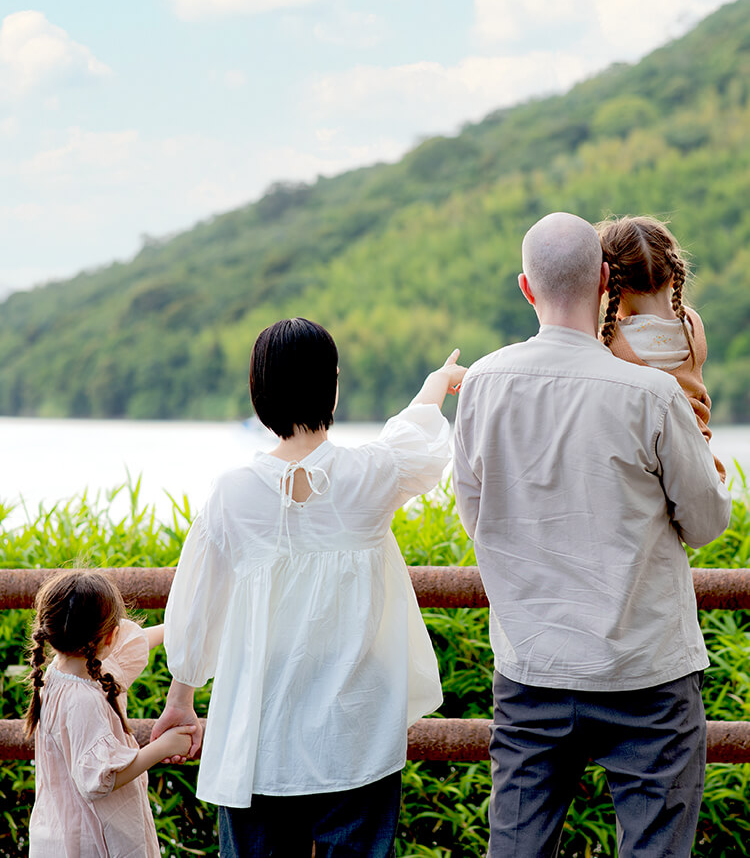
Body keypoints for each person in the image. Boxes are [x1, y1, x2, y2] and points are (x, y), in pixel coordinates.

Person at [453, 212, 731, 858]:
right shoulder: (654, 396)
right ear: (605, 280)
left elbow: (477, 519)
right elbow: (708, 522)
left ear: (526, 288)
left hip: (532, 674)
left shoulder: (481, 388)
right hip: (648, 677)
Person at [153, 317, 465, 858]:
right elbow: (415, 438)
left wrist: (181, 698)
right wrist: (437, 384)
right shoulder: (370, 475)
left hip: (258, 736)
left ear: (258, 390)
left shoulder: (231, 495)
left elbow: (196, 607)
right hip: (355, 733)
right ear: (334, 385)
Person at [25, 569, 195, 858]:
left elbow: (134, 644)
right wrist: (163, 747)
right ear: (111, 635)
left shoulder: (60, 674)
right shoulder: (83, 699)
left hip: (59, 834)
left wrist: (181, 628)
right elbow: (101, 779)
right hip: (92, 841)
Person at [597, 213, 726, 481]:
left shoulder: (610, 342)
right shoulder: (693, 325)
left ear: (610, 286)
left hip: (646, 468)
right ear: (673, 274)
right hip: (702, 462)